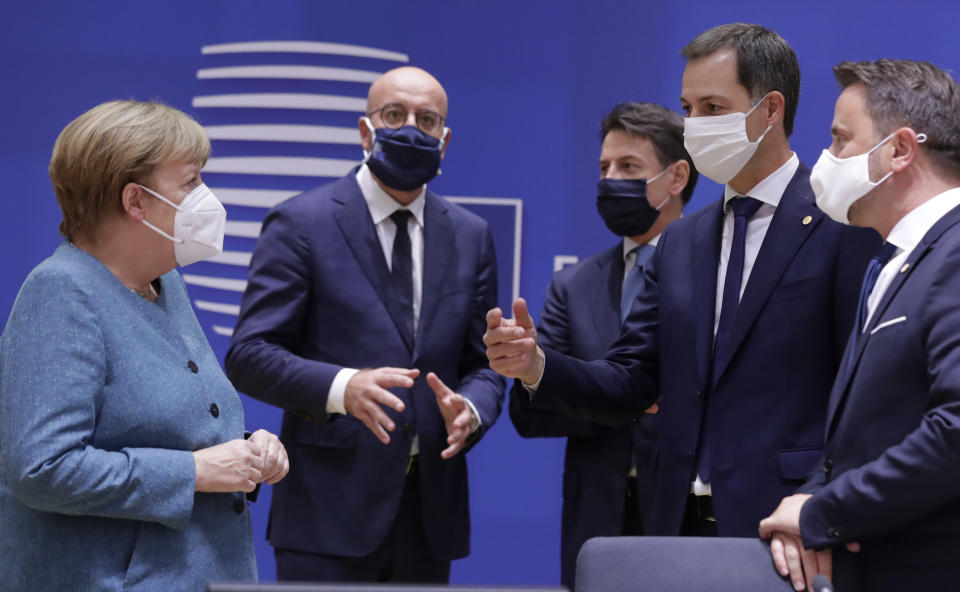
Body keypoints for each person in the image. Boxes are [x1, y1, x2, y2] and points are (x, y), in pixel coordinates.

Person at [485, 23, 879, 538]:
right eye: (688, 108)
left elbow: (865, 399)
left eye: (712, 108)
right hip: (674, 523)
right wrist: (536, 366)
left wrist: (826, 512)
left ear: (771, 109)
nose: (694, 126)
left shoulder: (843, 224)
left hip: (788, 527)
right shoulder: (682, 241)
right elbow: (631, 380)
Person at [225, 66, 505, 584]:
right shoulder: (301, 223)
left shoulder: (471, 234)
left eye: (427, 120)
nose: (410, 128)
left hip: (429, 515)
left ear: (444, 142)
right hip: (326, 516)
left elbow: (483, 365)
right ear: (364, 130)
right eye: (394, 115)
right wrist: (341, 387)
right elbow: (250, 353)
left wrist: (471, 409)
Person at [0, 100, 289, 591]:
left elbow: (169, 428)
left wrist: (246, 451)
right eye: (191, 182)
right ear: (135, 202)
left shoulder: (164, 284)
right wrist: (194, 470)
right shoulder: (62, 291)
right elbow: (41, 468)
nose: (207, 198)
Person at [759, 59, 960, 592]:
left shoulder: (956, 253)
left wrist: (826, 511)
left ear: (899, 149)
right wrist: (807, 503)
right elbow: (866, 435)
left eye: (841, 139)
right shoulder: (895, 261)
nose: (826, 158)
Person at [509, 101, 695, 589]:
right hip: (595, 521)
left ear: (676, 177)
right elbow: (532, 413)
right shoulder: (572, 286)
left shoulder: (712, 270)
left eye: (629, 167)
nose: (610, 179)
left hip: (689, 520)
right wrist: (635, 398)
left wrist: (593, 392)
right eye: (604, 168)